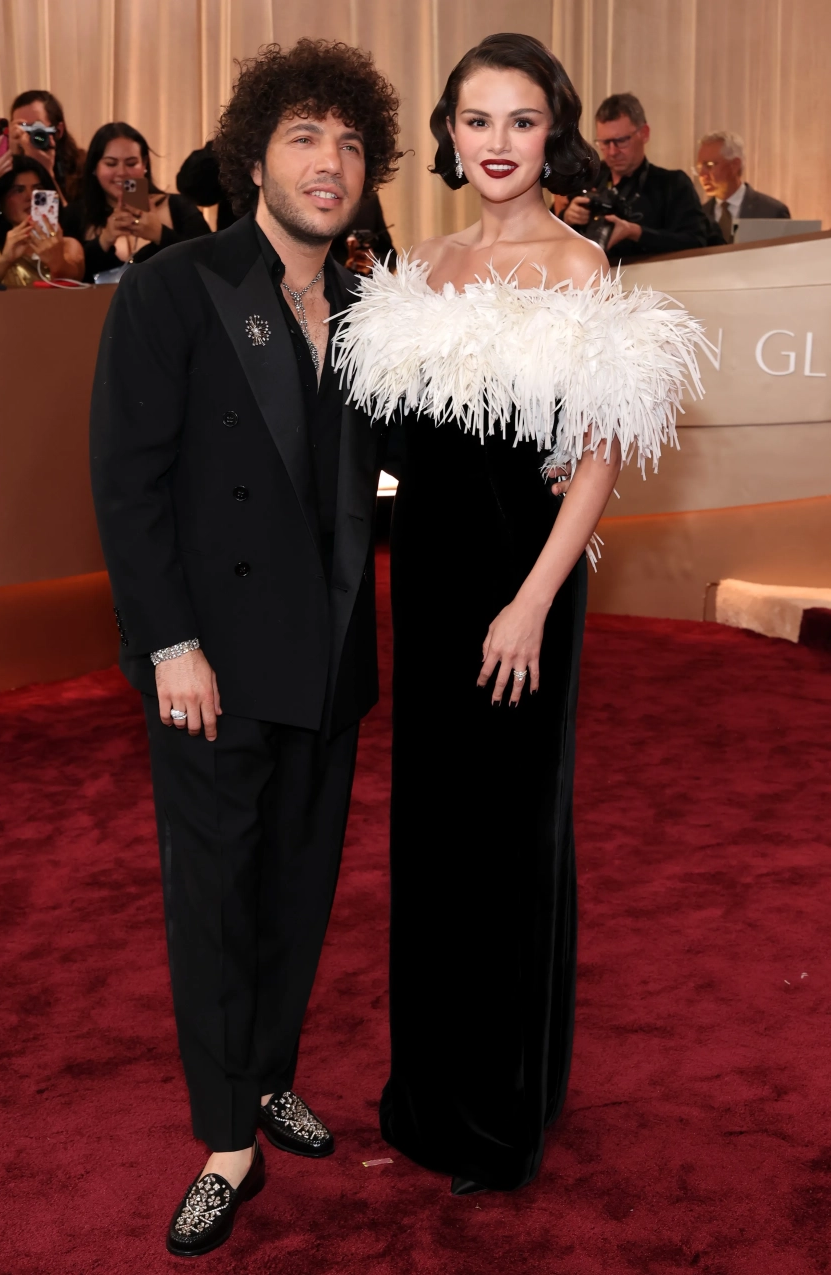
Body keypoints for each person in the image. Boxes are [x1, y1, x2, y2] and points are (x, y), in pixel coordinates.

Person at [333, 32, 705, 1195]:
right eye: (477, 119)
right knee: (435, 832)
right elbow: (401, 444)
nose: (498, 142)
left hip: (522, 581)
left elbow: (597, 457)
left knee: (510, 835)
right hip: (430, 576)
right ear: (450, 134)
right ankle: (428, 1095)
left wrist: (532, 603)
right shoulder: (421, 266)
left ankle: (500, 1115)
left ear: (554, 134)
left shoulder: (580, 267)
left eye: (522, 120)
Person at [90, 39, 401, 1256]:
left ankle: (270, 1074)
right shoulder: (176, 287)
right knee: (216, 901)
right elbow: (127, 485)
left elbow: (409, 466)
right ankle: (228, 1142)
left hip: (330, 656)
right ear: (253, 155)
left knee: (298, 890)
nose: (331, 163)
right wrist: (168, 642)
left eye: (351, 142)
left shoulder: (371, 310)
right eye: (305, 136)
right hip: (209, 663)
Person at [177, 138, 395, 269]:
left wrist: (371, 262)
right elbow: (191, 185)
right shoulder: (251, 168)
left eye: (349, 147)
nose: (331, 163)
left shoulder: (364, 199)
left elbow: (388, 255)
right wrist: (234, 139)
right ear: (257, 167)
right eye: (304, 140)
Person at [562, 92, 710, 262]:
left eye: (621, 141)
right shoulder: (587, 178)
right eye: (605, 143)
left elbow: (697, 242)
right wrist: (566, 218)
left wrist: (635, 232)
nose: (612, 152)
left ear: (644, 133)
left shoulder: (673, 185)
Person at [65, 122, 210, 280]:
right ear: (94, 167)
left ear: (144, 164)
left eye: (131, 163)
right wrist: (104, 240)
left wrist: (160, 234)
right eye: (111, 164)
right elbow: (65, 276)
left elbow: (210, 262)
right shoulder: (75, 214)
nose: (122, 172)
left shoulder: (179, 206)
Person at [0, 154, 84, 286]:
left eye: (38, 189)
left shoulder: (67, 246)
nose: (31, 197)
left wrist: (57, 262)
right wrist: (5, 260)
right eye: (18, 190)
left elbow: (75, 281)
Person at [695, 130, 790, 243]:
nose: (702, 175)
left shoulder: (772, 212)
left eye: (709, 165)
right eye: (699, 168)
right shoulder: (698, 216)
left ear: (734, 165)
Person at [9, 89, 85, 204]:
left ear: (58, 131)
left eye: (37, 128)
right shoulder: (6, 168)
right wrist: (13, 161)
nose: (29, 136)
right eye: (23, 127)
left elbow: (67, 216)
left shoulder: (82, 168)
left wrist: (46, 173)